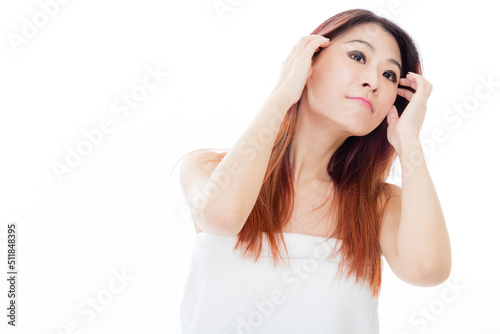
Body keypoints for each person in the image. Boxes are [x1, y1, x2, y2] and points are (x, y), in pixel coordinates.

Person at [176, 8, 452, 334]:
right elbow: (222, 218)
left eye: (390, 75)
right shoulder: (208, 168)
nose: (373, 81)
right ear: (309, 61)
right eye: (357, 56)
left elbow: (428, 269)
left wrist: (410, 143)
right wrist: (282, 95)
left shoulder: (378, 204)